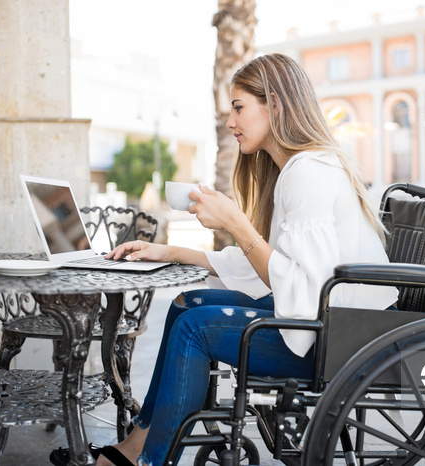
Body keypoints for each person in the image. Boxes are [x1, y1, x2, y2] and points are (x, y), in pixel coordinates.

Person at [50, 53, 398, 466]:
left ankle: (148, 460)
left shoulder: (310, 171)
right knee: (188, 305)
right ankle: (136, 446)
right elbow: (281, 269)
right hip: (329, 323)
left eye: (238, 108)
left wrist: (236, 223)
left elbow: (306, 288)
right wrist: (172, 251)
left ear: (276, 104)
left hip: (339, 339)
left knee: (195, 328)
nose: (231, 123)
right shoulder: (298, 170)